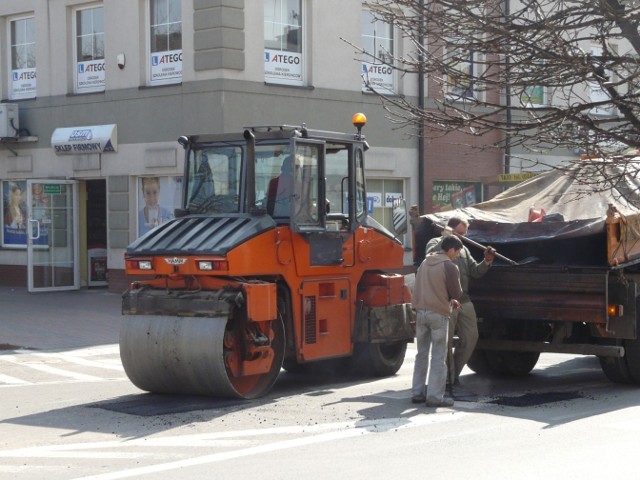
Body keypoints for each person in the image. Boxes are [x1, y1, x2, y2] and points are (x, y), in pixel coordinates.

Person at [426, 216, 495, 387]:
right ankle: (447, 378)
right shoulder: (435, 242)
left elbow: (475, 271)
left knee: (471, 337)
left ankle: (454, 373)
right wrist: (444, 237)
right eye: (459, 233)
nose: (463, 237)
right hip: (445, 301)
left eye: (465, 233)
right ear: (449, 229)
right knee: (446, 341)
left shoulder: (463, 250)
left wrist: (487, 261)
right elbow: (428, 257)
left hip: (464, 300)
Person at [411, 235, 464, 407]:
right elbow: (457, 293)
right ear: (450, 250)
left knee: (421, 355)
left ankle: (418, 393)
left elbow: (422, 287)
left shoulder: (425, 263)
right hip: (438, 315)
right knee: (438, 356)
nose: (456, 255)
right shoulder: (449, 265)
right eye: (456, 252)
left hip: (421, 313)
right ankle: (435, 397)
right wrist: (452, 299)